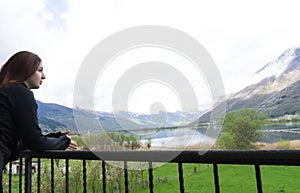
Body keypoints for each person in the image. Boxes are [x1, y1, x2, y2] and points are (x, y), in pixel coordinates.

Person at [0, 51, 78, 192]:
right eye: (40, 70)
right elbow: (36, 143)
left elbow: (22, 141)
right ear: (25, 70)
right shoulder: (20, 92)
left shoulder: (6, 92)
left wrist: (55, 137)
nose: (44, 76)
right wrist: (64, 141)